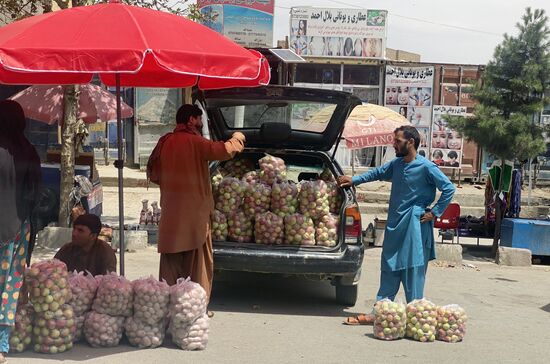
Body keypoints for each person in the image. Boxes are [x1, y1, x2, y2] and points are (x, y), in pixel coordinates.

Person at [338, 125, 455, 325]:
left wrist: (434, 212)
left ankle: (416, 317)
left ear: (410, 142)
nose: (394, 145)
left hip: (415, 226)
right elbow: (376, 173)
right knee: (389, 267)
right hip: (395, 225)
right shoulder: (397, 165)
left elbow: (448, 188)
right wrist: (354, 180)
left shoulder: (426, 167)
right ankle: (380, 312)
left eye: (397, 141)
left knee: (412, 272)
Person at [154, 104, 245, 303]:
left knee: (170, 261)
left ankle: (166, 302)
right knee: (198, 263)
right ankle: (195, 304)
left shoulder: (165, 142)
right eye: (199, 118)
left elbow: (153, 172)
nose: (201, 123)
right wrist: (238, 137)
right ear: (191, 120)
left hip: (171, 212)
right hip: (195, 215)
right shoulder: (196, 142)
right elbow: (223, 150)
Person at [0, 100, 41, 361]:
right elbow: (36, 195)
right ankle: (1, 345)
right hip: (17, 230)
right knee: (9, 286)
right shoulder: (28, 151)